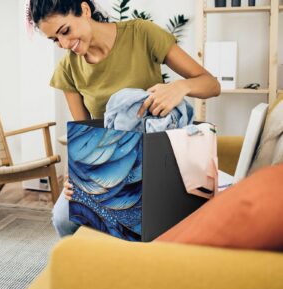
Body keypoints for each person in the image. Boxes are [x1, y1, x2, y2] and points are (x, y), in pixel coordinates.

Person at [28, 0, 220, 237]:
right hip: (110, 166)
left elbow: (212, 85)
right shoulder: (68, 68)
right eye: (55, 39)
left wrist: (181, 87)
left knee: (150, 223)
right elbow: (84, 134)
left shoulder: (141, 34)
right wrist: (75, 175)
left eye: (65, 31)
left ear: (85, 10)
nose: (65, 44)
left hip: (159, 158)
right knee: (62, 218)